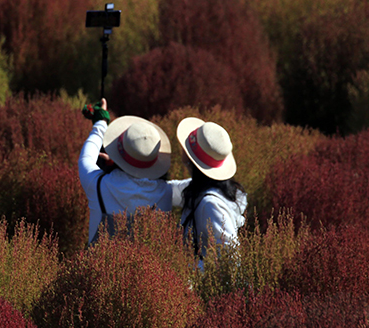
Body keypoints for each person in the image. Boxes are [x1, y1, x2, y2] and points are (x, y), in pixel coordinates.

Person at [78, 99, 183, 244]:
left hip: (95, 267)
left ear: (119, 154)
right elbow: (198, 184)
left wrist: (101, 122)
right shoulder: (166, 192)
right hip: (150, 267)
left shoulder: (97, 185)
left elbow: (87, 156)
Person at [175, 117, 247, 268]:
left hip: (201, 286)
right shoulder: (203, 188)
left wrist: (189, 269)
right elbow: (168, 189)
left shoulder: (210, 205)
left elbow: (231, 261)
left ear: (190, 159)